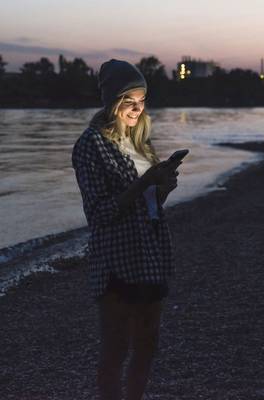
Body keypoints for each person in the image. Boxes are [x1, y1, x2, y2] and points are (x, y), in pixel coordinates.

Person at [72, 59, 182, 400]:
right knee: (116, 349)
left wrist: (163, 186)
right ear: (111, 101)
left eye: (141, 100)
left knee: (148, 345)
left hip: (150, 257)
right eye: (128, 101)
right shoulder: (90, 145)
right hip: (117, 262)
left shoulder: (140, 142)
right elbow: (100, 213)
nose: (137, 109)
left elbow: (148, 207)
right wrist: (144, 182)